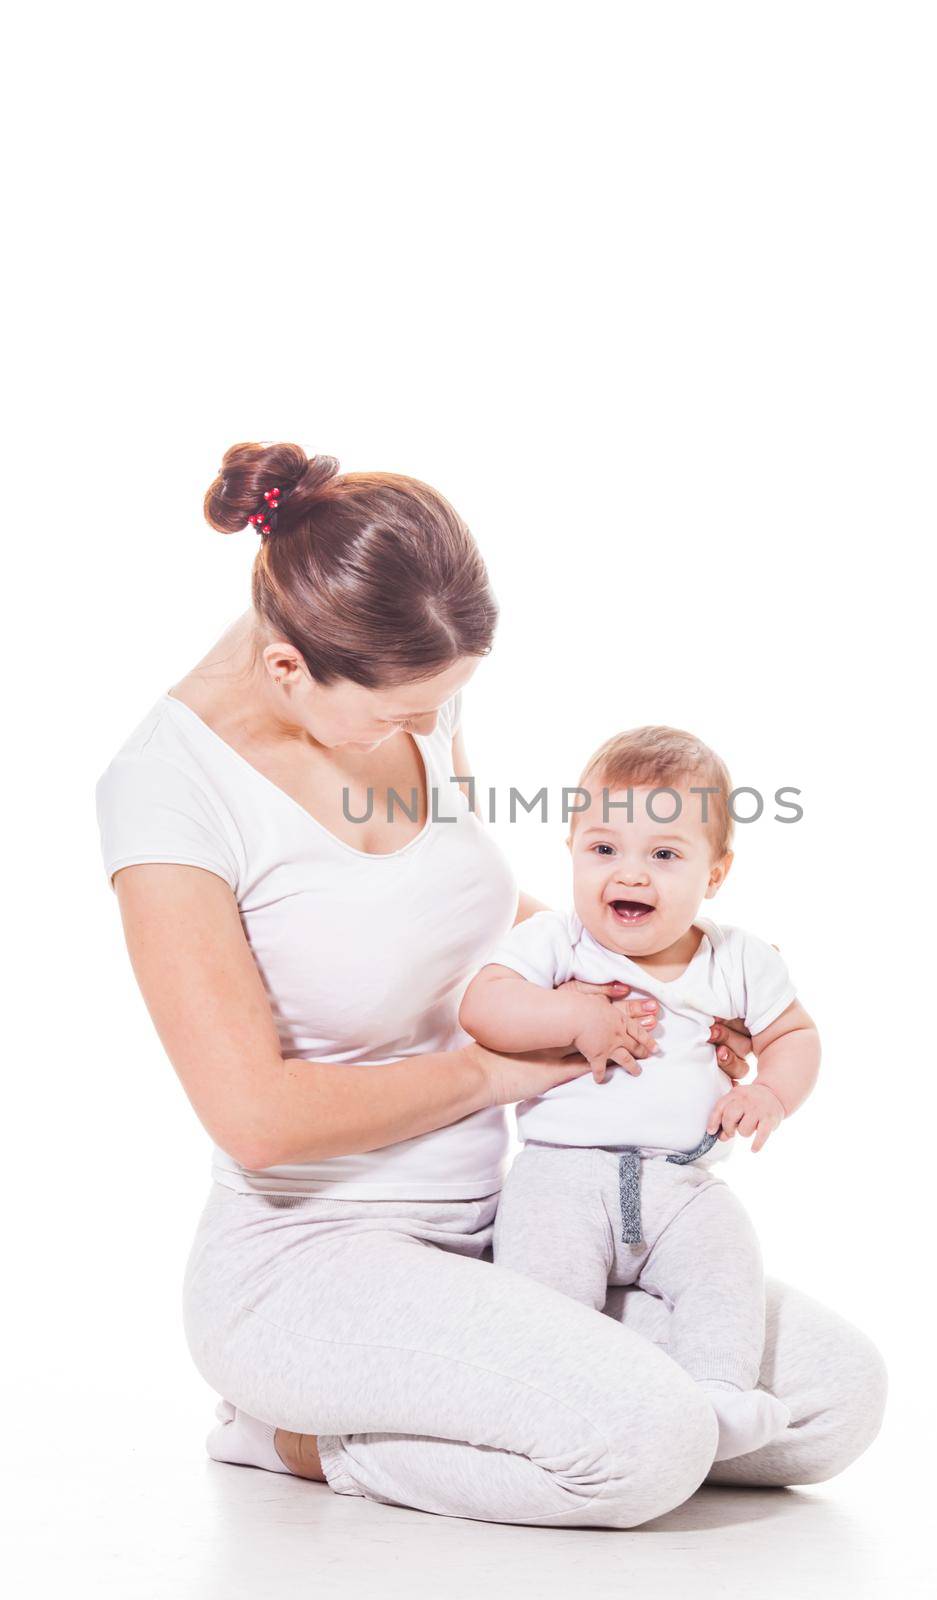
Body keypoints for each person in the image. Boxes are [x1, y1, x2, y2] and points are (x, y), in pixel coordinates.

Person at [95, 440, 887, 1529]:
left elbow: (463, 919)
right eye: (403, 714)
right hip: (307, 1264)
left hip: (514, 1225)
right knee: (648, 1442)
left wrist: (657, 987)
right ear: (289, 669)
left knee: (831, 1400)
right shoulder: (168, 794)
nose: (427, 733)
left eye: (443, 706)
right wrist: (495, 1070)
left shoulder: (407, 693)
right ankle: (292, 1436)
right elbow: (257, 1116)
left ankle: (495, 1396)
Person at [461, 725, 817, 1462]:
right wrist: (569, 1013)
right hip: (563, 1175)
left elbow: (793, 1036)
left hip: (683, 1180)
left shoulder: (736, 959)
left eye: (663, 854)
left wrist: (773, 1095)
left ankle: (716, 1393)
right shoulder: (556, 942)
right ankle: (541, 1406)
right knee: (541, 1299)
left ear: (713, 874)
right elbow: (482, 1006)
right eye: (602, 849)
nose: (629, 873)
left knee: (727, 1271)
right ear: (569, 849)